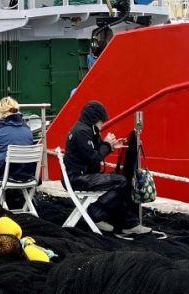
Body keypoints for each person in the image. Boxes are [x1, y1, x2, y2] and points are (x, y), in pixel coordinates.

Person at [64, 100, 151, 235]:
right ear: (94, 119)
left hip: (81, 175)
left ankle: (129, 223)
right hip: (77, 178)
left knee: (118, 182)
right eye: (101, 121)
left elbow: (94, 155)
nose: (102, 124)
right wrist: (106, 144)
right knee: (120, 181)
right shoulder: (82, 132)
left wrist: (110, 146)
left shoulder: (84, 129)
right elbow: (94, 159)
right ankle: (96, 212)